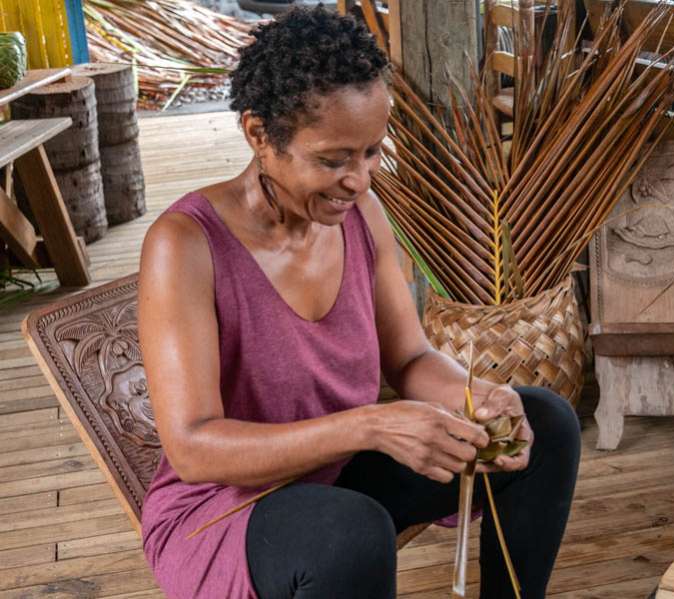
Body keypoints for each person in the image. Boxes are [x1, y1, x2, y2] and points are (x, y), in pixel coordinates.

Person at [138, 6, 580, 599]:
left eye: (372, 152)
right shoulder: (185, 245)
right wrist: (370, 424)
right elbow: (193, 449)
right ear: (258, 136)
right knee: (350, 533)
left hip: (339, 472)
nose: (361, 180)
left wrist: (476, 397)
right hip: (229, 509)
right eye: (333, 160)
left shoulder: (359, 216)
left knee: (546, 422)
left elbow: (409, 359)